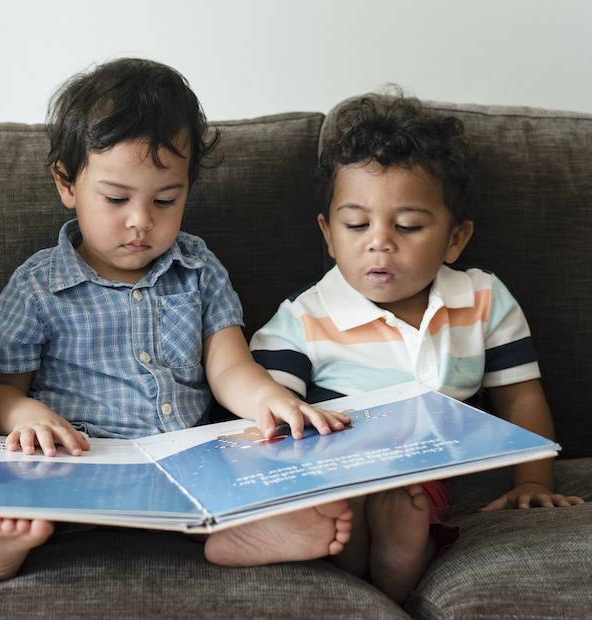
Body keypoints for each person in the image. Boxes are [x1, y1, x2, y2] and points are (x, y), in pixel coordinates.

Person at [0, 58, 354, 581]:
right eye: (115, 198)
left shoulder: (197, 269)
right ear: (66, 184)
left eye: (165, 200)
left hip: (190, 465)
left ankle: (237, 530)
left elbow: (229, 367)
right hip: (82, 462)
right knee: (18, 479)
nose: (141, 221)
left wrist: (269, 401)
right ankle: (4, 544)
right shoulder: (39, 285)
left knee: (264, 460)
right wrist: (23, 415)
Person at [249, 89, 585, 604]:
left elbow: (520, 397)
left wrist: (532, 479)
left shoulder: (482, 298)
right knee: (343, 497)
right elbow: (267, 410)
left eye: (407, 225)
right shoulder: (304, 317)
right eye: (356, 224)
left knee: (408, 499)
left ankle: (396, 558)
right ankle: (356, 545)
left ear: (455, 238)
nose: (379, 241)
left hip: (430, 470)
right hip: (341, 463)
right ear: (329, 235)